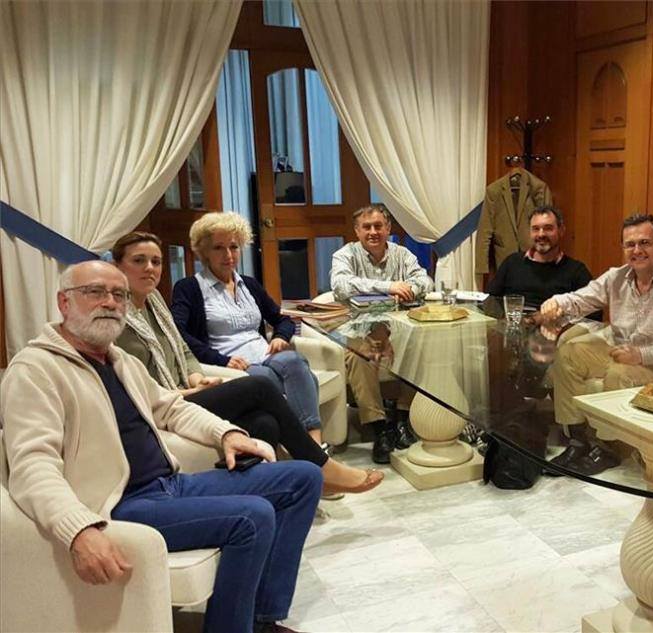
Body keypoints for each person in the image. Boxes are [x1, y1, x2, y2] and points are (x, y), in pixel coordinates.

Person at [0, 261, 321, 633]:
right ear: (64, 302)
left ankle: (262, 620)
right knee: (253, 516)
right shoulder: (35, 370)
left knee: (304, 478)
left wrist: (227, 434)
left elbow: (172, 408)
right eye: (95, 292)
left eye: (118, 294)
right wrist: (78, 529)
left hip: (171, 484)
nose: (110, 302)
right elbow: (32, 466)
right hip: (118, 504)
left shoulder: (120, 360)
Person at [112, 231, 382, 495]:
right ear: (118, 266)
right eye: (139, 261)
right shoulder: (116, 317)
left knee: (268, 417)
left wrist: (197, 378)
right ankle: (319, 465)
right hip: (164, 403)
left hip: (199, 383)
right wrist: (206, 375)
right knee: (261, 386)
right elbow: (134, 383)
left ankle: (275, 489)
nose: (150, 268)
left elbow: (182, 350)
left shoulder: (155, 302)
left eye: (156, 261)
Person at [538, 213, 653, 475]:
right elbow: (582, 298)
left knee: (618, 373)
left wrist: (641, 355)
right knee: (569, 352)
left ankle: (609, 449)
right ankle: (578, 441)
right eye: (630, 244)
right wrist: (557, 302)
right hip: (618, 349)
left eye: (645, 243)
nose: (637, 250)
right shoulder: (616, 276)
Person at [171, 212, 324, 442]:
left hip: (266, 354)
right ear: (204, 252)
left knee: (294, 361)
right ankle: (308, 446)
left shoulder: (249, 284)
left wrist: (280, 337)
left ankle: (313, 441)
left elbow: (282, 319)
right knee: (293, 379)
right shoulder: (189, 288)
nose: (228, 255)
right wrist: (221, 359)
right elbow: (179, 334)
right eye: (218, 248)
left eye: (233, 247)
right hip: (232, 363)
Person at [330, 203, 434, 463]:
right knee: (359, 355)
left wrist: (409, 288)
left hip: (397, 327)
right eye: (366, 227)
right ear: (357, 231)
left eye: (378, 226)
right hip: (358, 329)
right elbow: (340, 286)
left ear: (388, 228)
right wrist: (388, 287)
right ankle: (380, 428)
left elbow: (425, 281)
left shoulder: (402, 254)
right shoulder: (345, 255)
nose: (373, 232)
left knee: (420, 344)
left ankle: (403, 417)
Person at [486, 205, 593, 309]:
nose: (541, 234)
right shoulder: (512, 263)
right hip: (513, 320)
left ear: (561, 231)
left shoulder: (577, 272)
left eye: (548, 228)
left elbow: (594, 314)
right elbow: (489, 302)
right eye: (535, 229)